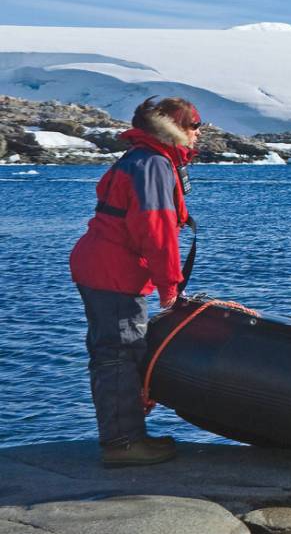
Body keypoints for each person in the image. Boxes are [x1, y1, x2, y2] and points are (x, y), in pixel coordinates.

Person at [69, 96, 201, 467]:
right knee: (118, 352)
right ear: (174, 126)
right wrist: (170, 287)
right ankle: (122, 443)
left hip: (103, 266)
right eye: (193, 124)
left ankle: (126, 436)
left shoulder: (143, 159)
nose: (198, 132)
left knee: (117, 350)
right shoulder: (154, 163)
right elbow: (156, 229)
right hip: (112, 271)